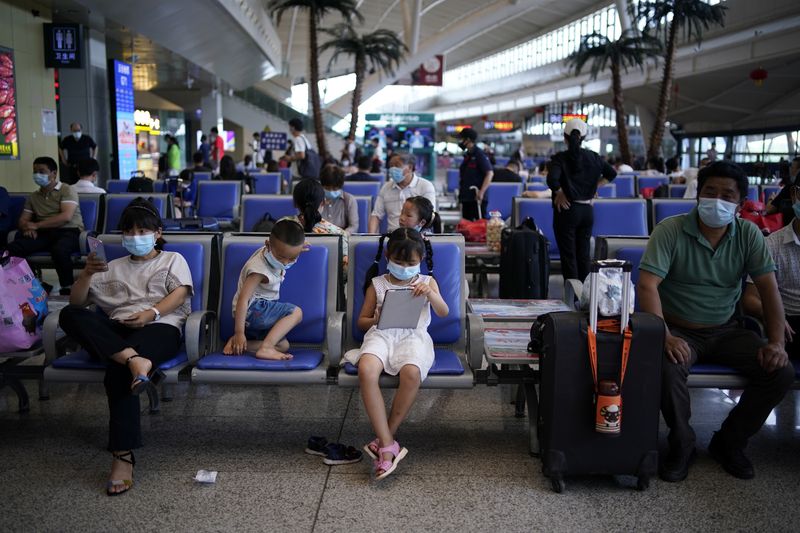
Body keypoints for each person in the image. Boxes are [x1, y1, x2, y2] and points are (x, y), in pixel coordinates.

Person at [637, 161, 794, 483]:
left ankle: (730, 442)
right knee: (665, 367)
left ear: (739, 204)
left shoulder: (748, 234)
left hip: (726, 330)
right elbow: (647, 285)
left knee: (780, 372)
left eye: (727, 195)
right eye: (710, 192)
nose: (717, 200)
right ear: (697, 196)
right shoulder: (671, 230)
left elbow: (768, 290)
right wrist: (664, 335)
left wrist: (776, 343)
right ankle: (682, 444)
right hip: (677, 329)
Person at [58, 198, 193, 495]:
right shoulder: (109, 266)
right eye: (128, 231)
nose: (134, 237)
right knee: (69, 314)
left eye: (142, 230)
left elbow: (181, 295)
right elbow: (77, 303)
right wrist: (86, 274)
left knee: (116, 372)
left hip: (159, 327)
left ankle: (122, 456)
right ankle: (134, 360)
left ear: (157, 232)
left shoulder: (172, 260)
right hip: (116, 330)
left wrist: (151, 313)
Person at [344, 228, 449, 480]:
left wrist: (431, 294)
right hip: (381, 334)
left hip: (414, 337)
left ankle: (385, 440)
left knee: (411, 372)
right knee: (367, 369)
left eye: (410, 263)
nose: (404, 267)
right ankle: (388, 444)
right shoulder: (378, 284)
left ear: (420, 261)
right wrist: (375, 319)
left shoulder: (427, 282)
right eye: (399, 262)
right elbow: (361, 322)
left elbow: (444, 311)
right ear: (388, 257)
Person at [223, 218, 305, 361]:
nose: (285, 263)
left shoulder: (272, 250)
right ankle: (265, 348)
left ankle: (240, 345)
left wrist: (295, 251)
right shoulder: (259, 270)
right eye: (281, 257)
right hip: (253, 310)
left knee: (282, 345)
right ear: (267, 245)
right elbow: (243, 300)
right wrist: (239, 332)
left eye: (292, 258)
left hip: (258, 316)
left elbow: (287, 251)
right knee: (296, 313)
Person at [548, 118, 616, 281]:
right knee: (583, 255)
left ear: (565, 138)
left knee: (568, 256)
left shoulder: (560, 158)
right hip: (587, 212)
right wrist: (596, 186)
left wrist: (559, 191)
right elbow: (611, 174)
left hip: (567, 211)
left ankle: (572, 297)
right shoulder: (594, 157)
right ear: (584, 138)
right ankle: (586, 297)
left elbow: (552, 179)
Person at [743, 172, 800, 360]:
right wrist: (776, 318)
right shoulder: (772, 245)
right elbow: (750, 299)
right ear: (795, 195)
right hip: (790, 324)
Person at [8, 156, 84, 295]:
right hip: (44, 233)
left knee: (59, 250)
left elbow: (66, 216)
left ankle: (67, 287)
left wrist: (36, 226)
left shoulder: (66, 190)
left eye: (42, 171)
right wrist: (27, 227)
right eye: (35, 171)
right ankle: (36, 284)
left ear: (54, 173)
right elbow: (23, 221)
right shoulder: (34, 197)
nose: (37, 175)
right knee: (14, 248)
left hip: (68, 231)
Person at [369, 153, 436, 233]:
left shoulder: (425, 186)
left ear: (410, 167)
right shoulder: (386, 188)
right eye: (391, 166)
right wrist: (371, 236)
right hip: (393, 237)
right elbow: (376, 215)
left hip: (418, 237)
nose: (393, 169)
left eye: (397, 165)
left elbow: (429, 217)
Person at [293, 178, 349, 266]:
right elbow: (346, 272)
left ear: (295, 203)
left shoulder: (281, 228)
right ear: (323, 202)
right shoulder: (338, 234)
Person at [457, 128, 493, 221]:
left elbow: (489, 173)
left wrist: (482, 192)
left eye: (461, 139)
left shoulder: (479, 154)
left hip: (476, 198)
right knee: (467, 227)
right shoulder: (468, 155)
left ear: (467, 140)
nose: (460, 141)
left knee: (478, 227)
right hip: (467, 197)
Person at [319, 164, 358, 234]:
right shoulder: (316, 199)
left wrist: (344, 234)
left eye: (334, 188)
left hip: (342, 237)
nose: (331, 191)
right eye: (327, 188)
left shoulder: (349, 200)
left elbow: (354, 226)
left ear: (340, 186)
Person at [766, 156, 800, 227]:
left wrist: (771, 199)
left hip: (785, 226)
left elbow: (769, 209)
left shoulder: (789, 189)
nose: (790, 169)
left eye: (792, 167)